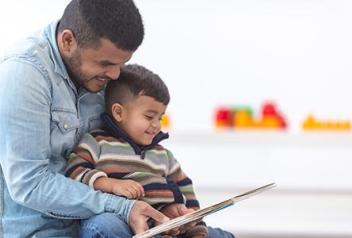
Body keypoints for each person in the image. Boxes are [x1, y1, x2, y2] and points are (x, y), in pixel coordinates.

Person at [0, 0, 171, 237]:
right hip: (44, 231)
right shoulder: (24, 74)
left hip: (99, 222)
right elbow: (30, 184)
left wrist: (166, 205)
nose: (115, 75)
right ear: (68, 41)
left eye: (122, 64)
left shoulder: (102, 76)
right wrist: (122, 207)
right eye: (106, 64)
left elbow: (122, 149)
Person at [66, 64, 220, 238]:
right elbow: (74, 171)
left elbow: (184, 186)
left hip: (165, 225)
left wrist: (190, 218)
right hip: (124, 222)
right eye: (149, 117)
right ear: (118, 113)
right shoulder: (97, 142)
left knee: (221, 235)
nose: (157, 125)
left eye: (160, 117)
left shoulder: (163, 155)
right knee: (103, 226)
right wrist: (112, 184)